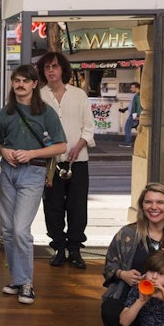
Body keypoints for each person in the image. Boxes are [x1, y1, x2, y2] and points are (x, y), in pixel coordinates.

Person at [0, 64, 66, 305]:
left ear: (35, 84)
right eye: (16, 80)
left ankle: (27, 283)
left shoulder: (46, 112)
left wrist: (32, 153)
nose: (20, 85)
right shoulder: (5, 113)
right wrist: (4, 152)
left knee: (20, 230)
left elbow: (61, 146)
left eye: (25, 81)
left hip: (33, 174)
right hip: (6, 172)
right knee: (6, 230)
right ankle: (16, 279)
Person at [101, 183, 164, 326]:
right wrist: (122, 274)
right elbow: (110, 265)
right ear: (142, 206)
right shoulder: (127, 234)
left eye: (160, 202)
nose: (154, 207)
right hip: (137, 301)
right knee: (110, 311)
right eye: (148, 202)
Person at [37, 52, 96, 270]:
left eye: (54, 66)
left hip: (78, 161)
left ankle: (75, 250)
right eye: (46, 68)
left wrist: (79, 146)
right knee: (52, 206)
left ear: (63, 69)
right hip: (50, 162)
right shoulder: (39, 96)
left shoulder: (79, 95)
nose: (51, 71)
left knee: (77, 207)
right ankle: (58, 248)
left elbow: (89, 126)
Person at [120, 82, 142, 147]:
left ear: (137, 88)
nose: (131, 89)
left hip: (133, 115)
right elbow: (132, 105)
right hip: (134, 114)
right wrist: (125, 109)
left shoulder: (138, 96)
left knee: (127, 128)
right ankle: (131, 142)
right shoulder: (136, 95)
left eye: (132, 87)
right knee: (136, 127)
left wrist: (137, 115)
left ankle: (128, 143)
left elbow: (138, 106)